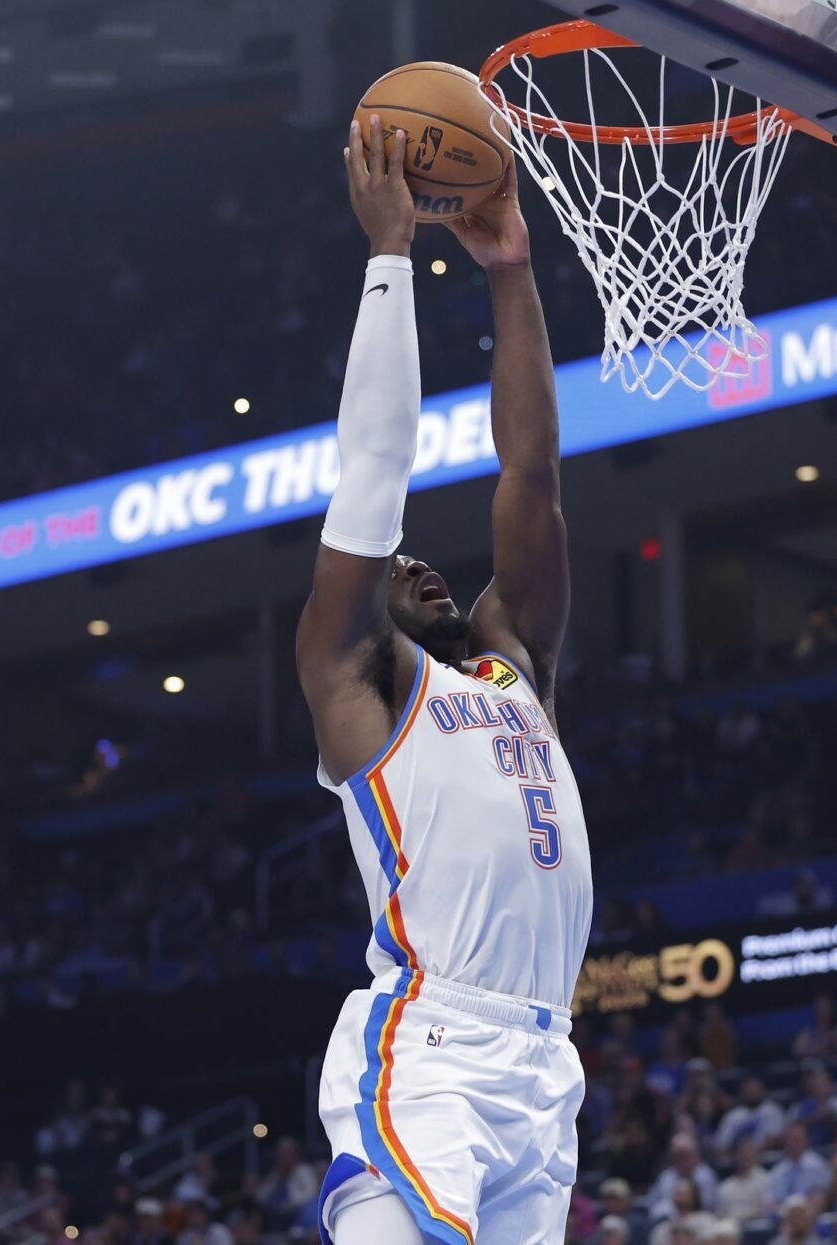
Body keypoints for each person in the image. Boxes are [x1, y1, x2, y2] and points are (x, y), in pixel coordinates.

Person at [301, 120, 591, 1245]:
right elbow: (374, 469)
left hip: (545, 1065)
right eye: (396, 561)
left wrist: (510, 268)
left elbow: (532, 472)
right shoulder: (358, 689)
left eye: (430, 557)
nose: (420, 562)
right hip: (428, 1046)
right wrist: (390, 254)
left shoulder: (512, 663)